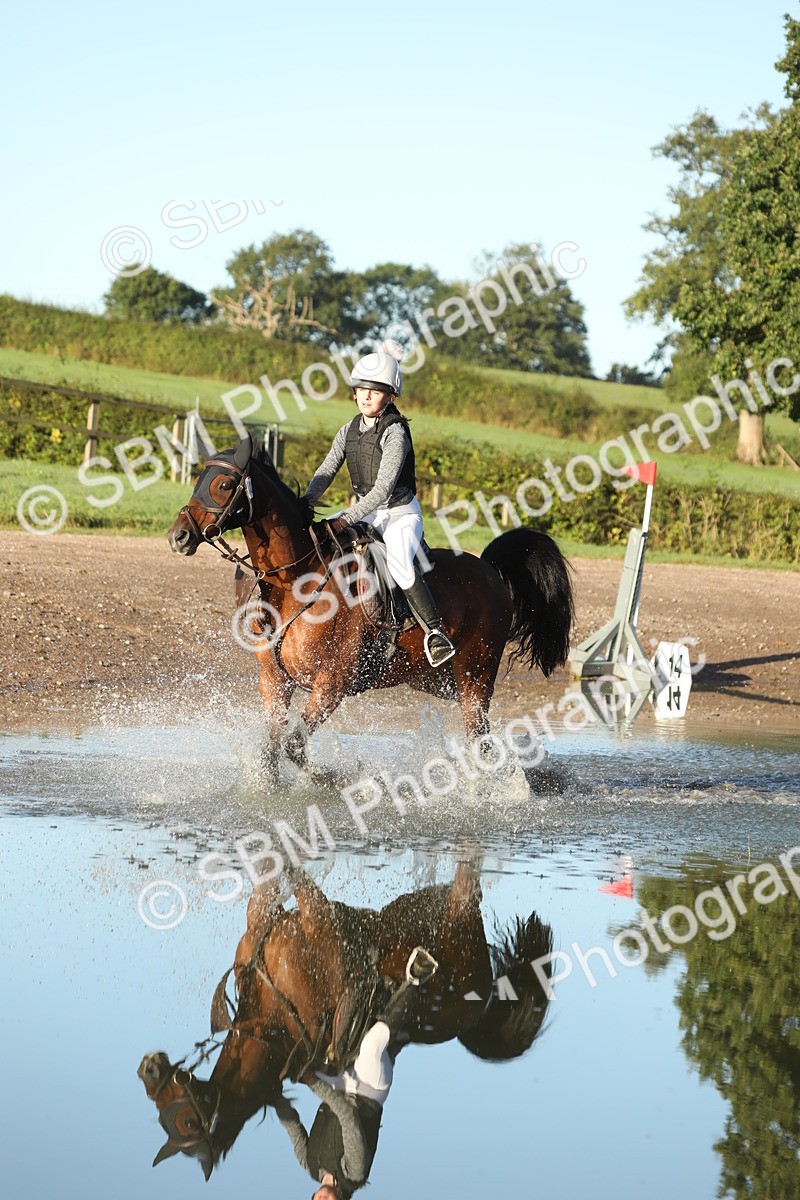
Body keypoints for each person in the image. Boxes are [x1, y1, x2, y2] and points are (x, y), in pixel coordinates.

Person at [304, 347, 456, 668]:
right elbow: (327, 470)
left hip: (400, 513)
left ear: (391, 397)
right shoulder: (348, 430)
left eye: (376, 391)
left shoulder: (395, 431)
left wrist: (346, 518)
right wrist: (306, 501)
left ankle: (435, 633)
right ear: (355, 392)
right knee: (318, 540)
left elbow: (383, 488)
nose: (367, 396)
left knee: (400, 564)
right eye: (362, 389)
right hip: (368, 511)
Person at [275, 947, 438, 1198]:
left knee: (312, 1056)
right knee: (371, 1047)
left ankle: (361, 975)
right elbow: (348, 1116)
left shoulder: (310, 1165)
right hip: (368, 1092)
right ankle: (415, 979)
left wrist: (273, 1097)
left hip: (338, 1086)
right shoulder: (354, 1173)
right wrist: (315, 1085)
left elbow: (293, 1126)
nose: (323, 1199)